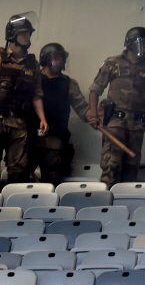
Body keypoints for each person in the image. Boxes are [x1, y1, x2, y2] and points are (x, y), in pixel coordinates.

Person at [88, 27, 145, 186]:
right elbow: (95, 90)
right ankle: (106, 205)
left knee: (131, 170)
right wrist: (93, 114)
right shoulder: (113, 63)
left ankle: (125, 205)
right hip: (115, 124)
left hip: (137, 125)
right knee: (111, 166)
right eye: (142, 43)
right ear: (130, 44)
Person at [0, 13, 49, 183]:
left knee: (18, 169)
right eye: (24, 33)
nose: (28, 37)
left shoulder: (31, 64)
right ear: (13, 35)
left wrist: (42, 118)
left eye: (29, 33)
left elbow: (36, 94)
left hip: (19, 122)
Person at [33, 43, 90, 184]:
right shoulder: (33, 80)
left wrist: (95, 114)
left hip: (54, 139)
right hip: (29, 138)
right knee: (20, 177)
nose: (61, 61)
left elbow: (82, 109)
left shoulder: (68, 84)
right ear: (46, 59)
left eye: (63, 58)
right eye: (57, 58)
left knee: (52, 179)